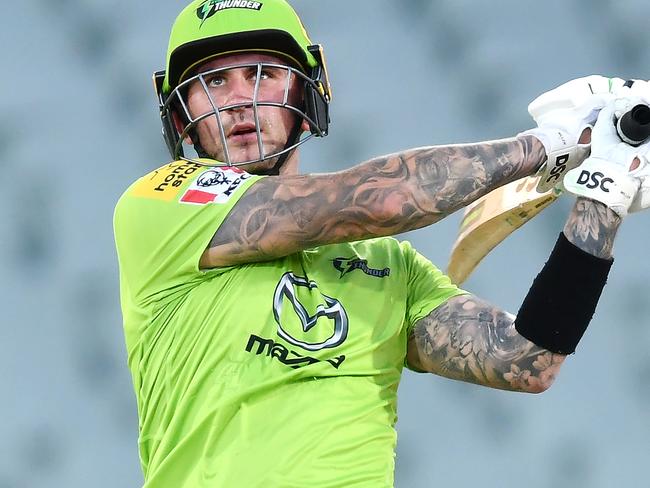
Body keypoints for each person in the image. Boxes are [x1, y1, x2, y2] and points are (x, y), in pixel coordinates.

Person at [113, 1, 650, 486]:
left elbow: (527, 359)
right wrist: (552, 145)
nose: (236, 101)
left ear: (306, 90)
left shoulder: (387, 264)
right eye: (212, 82)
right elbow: (384, 201)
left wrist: (605, 189)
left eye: (262, 74)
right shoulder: (160, 205)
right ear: (180, 112)